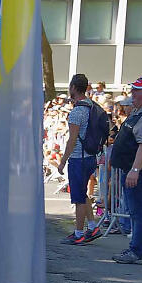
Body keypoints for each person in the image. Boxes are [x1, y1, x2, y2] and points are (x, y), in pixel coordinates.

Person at [108, 76, 142, 265]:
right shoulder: (140, 112)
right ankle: (136, 249)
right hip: (135, 169)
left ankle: (137, 251)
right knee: (135, 210)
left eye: (136, 90)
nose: (132, 93)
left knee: (138, 211)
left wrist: (135, 170)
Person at [58, 72, 106, 244]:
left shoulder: (77, 112)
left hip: (79, 158)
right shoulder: (91, 106)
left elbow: (72, 140)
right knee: (83, 193)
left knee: (78, 197)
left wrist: (63, 160)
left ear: (73, 87)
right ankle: (92, 226)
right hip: (90, 156)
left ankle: (79, 233)